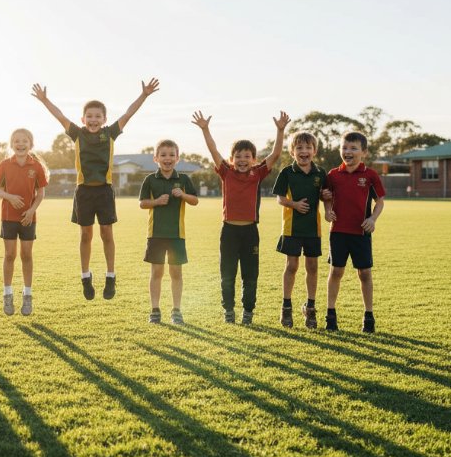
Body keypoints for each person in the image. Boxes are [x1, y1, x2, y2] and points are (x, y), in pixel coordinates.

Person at [31, 78, 160, 300]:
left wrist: (144, 95)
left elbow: (128, 114)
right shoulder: (77, 134)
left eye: (97, 116)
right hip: (83, 192)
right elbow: (60, 115)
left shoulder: (110, 133)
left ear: (104, 119)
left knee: (107, 234)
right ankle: (85, 277)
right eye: (89, 116)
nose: (93, 120)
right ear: (83, 119)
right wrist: (44, 100)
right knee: (85, 235)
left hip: (104, 191)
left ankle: (111, 277)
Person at [192, 110, 289, 324]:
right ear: (231, 159)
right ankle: (228, 310)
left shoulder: (258, 173)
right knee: (227, 275)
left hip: (250, 232)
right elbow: (213, 149)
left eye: (247, 156)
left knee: (250, 275)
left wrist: (280, 131)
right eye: (238, 156)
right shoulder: (226, 172)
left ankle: (248, 311)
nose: (242, 160)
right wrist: (205, 129)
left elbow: (274, 155)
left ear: (254, 159)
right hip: (228, 231)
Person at [323, 131, 386, 333]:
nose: (348, 152)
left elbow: (380, 202)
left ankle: (368, 317)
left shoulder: (370, 175)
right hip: (338, 232)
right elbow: (326, 197)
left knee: (364, 274)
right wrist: (327, 210)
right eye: (344, 147)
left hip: (361, 233)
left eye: (353, 148)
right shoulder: (332, 175)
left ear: (364, 152)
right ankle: (330, 316)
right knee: (336, 271)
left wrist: (372, 219)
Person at [139, 140, 199, 324]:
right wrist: (156, 201)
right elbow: (142, 203)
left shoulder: (183, 179)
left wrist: (183, 195)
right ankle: (155, 310)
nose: (168, 158)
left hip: (176, 235)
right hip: (155, 234)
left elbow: (195, 200)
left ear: (177, 158)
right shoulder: (150, 179)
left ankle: (176, 310)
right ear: (156, 158)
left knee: (176, 273)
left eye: (172, 155)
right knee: (156, 272)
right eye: (163, 155)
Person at [271, 131, 326, 329]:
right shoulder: (287, 172)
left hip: (313, 229)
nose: (304, 151)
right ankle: (286, 306)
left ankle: (310, 307)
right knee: (292, 266)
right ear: (292, 151)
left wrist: (326, 197)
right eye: (299, 148)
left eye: (308, 148)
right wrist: (294, 204)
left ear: (314, 151)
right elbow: (279, 198)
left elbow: (325, 195)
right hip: (291, 228)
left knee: (312, 267)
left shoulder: (320, 173)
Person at [0, 128, 49, 316]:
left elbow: (40, 194)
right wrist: (10, 197)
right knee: (9, 255)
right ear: (12, 144)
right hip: (8, 217)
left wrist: (31, 211)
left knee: (26, 255)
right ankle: (7, 294)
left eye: (24, 141)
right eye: (16, 141)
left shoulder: (36, 167)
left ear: (30, 144)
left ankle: (27, 295)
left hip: (28, 218)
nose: (20, 144)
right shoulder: (4, 165)